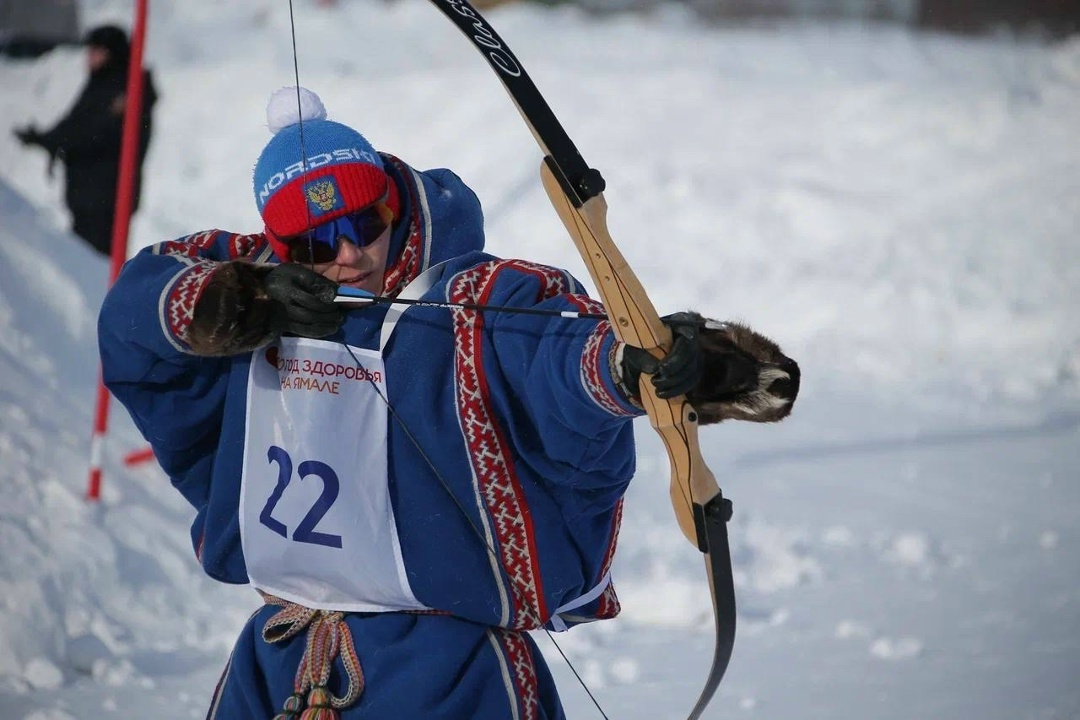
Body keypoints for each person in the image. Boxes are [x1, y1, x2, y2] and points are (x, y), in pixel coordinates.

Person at [98, 87, 800, 719]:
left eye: (365, 223)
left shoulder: (475, 299)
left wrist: (645, 366)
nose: (347, 254)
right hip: (283, 660)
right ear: (282, 245)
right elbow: (134, 320)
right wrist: (237, 302)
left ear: (393, 204)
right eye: (316, 241)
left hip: (450, 672)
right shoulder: (254, 292)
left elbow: (558, 353)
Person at [12, 24, 157, 256]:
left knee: (96, 265)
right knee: (85, 260)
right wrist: (47, 139)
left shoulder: (125, 87)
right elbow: (76, 124)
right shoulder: (102, 84)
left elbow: (94, 132)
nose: (89, 58)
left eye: (96, 51)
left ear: (111, 53)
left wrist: (53, 140)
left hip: (106, 196)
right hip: (88, 194)